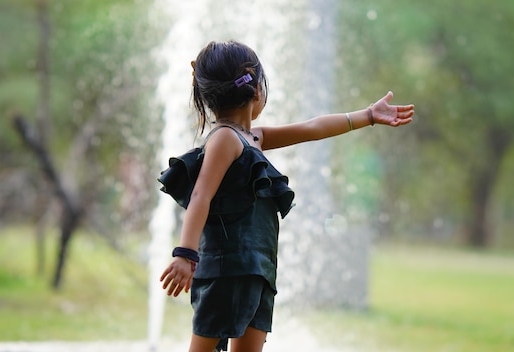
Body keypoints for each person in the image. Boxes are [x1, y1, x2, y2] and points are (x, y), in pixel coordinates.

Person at [158, 40, 414, 352]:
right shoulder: (224, 139)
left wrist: (368, 115)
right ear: (255, 89)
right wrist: (185, 254)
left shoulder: (253, 138)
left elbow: (312, 128)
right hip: (228, 269)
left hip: (258, 269)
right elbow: (200, 196)